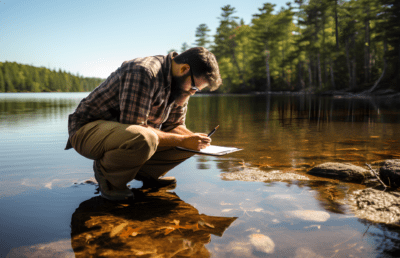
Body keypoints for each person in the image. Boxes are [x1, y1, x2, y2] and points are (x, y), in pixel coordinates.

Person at [65, 47, 223, 201]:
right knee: (145, 138)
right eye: (194, 87)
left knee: (191, 143)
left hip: (126, 135)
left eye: (198, 90)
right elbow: (134, 127)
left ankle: (147, 174)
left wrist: (194, 139)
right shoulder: (144, 71)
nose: (193, 92)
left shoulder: (181, 87)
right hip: (86, 131)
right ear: (184, 69)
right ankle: (109, 178)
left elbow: (173, 126)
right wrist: (182, 140)